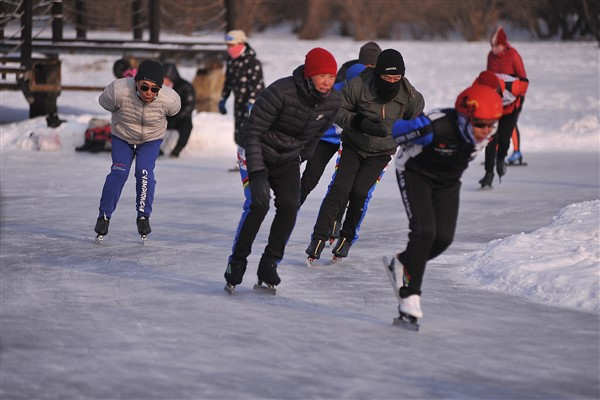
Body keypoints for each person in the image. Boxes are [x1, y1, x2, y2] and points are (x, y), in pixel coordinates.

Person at [224, 47, 341, 292]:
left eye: (331, 76)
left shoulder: (332, 102)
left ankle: (269, 264)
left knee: (290, 205)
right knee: (258, 204)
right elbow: (252, 132)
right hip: (255, 150)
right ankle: (237, 262)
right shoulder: (280, 92)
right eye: (322, 76)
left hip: (287, 157)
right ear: (309, 75)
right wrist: (257, 175)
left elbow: (318, 133)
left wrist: (302, 156)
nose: (327, 82)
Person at [387, 84, 503, 322]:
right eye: (480, 124)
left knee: (443, 239)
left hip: (448, 181)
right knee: (424, 231)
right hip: (415, 173)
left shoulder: (487, 133)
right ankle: (410, 296)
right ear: (464, 117)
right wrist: (411, 131)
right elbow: (398, 131)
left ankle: (403, 262)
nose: (486, 131)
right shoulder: (434, 126)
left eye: (491, 124)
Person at [305, 49, 425, 264]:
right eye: (386, 77)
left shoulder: (411, 96)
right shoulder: (358, 85)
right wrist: (359, 122)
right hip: (354, 144)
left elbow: (414, 123)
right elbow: (338, 111)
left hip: (382, 153)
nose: (391, 82)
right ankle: (319, 237)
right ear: (377, 73)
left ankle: (346, 238)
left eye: (396, 78)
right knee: (340, 189)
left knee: (360, 193)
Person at [93, 60, 181, 242]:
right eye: (144, 87)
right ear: (136, 82)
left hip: (150, 140)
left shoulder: (170, 100)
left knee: (144, 172)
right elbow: (103, 102)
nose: (149, 93)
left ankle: (143, 216)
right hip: (123, 137)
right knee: (119, 173)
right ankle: (104, 216)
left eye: (154, 89)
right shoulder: (118, 91)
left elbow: (176, 112)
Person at [479, 26, 527, 188]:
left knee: (504, 138)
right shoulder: (491, 56)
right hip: (495, 103)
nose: (493, 49)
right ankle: (488, 173)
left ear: (503, 44)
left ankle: (501, 159)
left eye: (496, 46)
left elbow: (524, 82)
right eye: (491, 46)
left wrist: (516, 97)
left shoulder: (513, 55)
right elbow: (487, 79)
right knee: (491, 137)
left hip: (512, 103)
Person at [218, 29, 265, 171]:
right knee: (239, 132)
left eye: (232, 45)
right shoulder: (232, 62)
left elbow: (258, 84)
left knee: (251, 132)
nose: (229, 49)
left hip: (253, 104)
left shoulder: (252, 62)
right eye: (227, 45)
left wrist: (252, 101)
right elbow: (228, 82)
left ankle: (255, 160)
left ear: (241, 43)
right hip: (239, 103)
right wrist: (223, 98)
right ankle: (242, 159)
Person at [473, 70, 529, 165]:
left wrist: (517, 106)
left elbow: (524, 84)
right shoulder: (476, 86)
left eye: (492, 91)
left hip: (510, 109)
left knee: (506, 134)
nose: (490, 94)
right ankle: (493, 157)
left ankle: (509, 155)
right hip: (495, 107)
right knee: (492, 133)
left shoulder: (514, 86)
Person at [163, 62, 196, 158]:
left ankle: (177, 149)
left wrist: (176, 116)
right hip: (166, 116)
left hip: (180, 117)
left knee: (187, 125)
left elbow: (189, 106)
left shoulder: (185, 86)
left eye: (165, 79)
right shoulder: (158, 87)